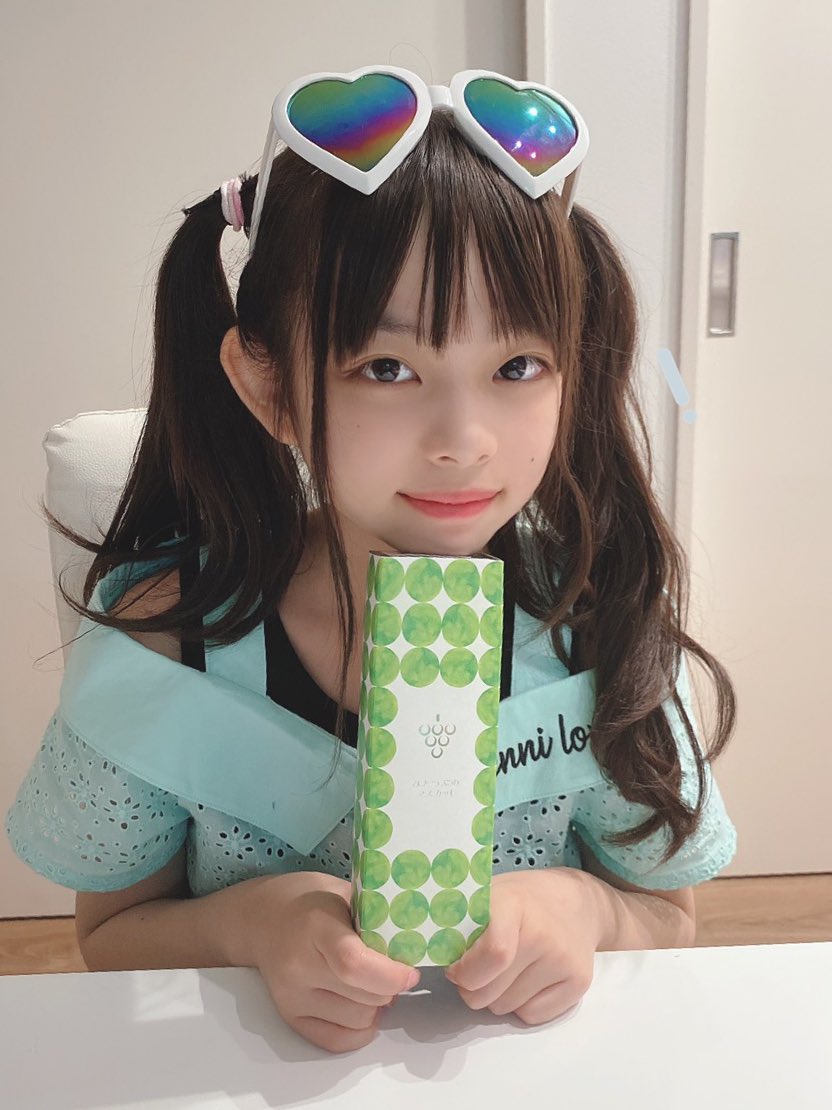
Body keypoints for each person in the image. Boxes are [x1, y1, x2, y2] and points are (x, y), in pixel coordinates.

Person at [6, 66, 737, 1054]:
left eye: (518, 365)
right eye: (387, 368)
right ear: (268, 385)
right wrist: (253, 925)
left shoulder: (595, 624)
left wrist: (583, 907)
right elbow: (109, 934)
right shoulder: (169, 644)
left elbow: (671, 916)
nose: (464, 440)